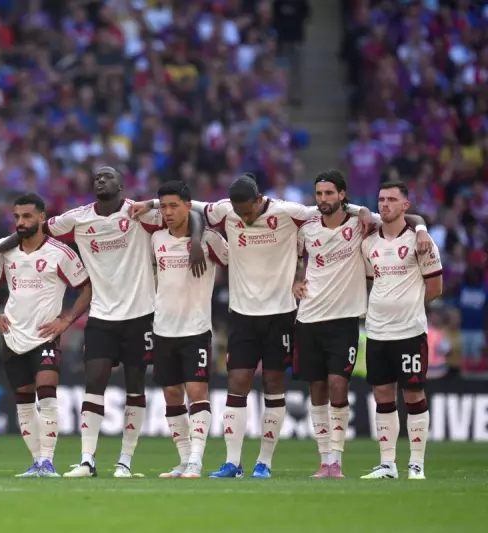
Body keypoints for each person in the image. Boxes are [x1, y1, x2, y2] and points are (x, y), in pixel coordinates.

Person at [0, 167, 206, 478]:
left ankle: (125, 461)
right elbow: (28, 231)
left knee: (135, 387)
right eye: (97, 177)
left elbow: (192, 214)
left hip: (141, 314)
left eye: (108, 176)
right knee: (94, 384)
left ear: (121, 184)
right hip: (101, 315)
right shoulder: (76, 218)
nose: (100, 180)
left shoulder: (139, 214)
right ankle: (87, 460)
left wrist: (191, 237)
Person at [132, 173, 372, 479]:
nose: (243, 219)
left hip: (280, 313)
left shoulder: (287, 212)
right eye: (239, 213)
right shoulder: (226, 211)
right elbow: (192, 207)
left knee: (273, 385)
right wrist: (152, 204)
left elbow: (326, 209)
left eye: (248, 212)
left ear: (259, 200)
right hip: (242, 315)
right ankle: (232, 462)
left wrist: (361, 211)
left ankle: (264, 462)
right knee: (238, 385)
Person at [294, 170, 431, 479]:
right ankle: (324, 460)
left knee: (339, 386)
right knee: (317, 389)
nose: (324, 199)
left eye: (330, 193)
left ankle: (338, 460)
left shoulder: (363, 226)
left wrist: (421, 227)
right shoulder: (306, 227)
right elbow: (297, 259)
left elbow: (405, 217)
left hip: (345, 320)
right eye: (319, 194)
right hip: (308, 318)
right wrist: (295, 278)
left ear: (343, 195)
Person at [0, 194, 92, 478]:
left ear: (42, 217)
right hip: (12, 335)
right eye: (17, 217)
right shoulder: (6, 253)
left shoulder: (61, 253)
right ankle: (36, 462)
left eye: (27, 216)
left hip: (45, 336)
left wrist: (66, 320)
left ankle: (48, 461)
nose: (21, 222)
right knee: (23, 402)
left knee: (47, 396)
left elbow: (86, 288)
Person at [360, 181, 442, 480]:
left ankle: (416, 464)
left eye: (392, 200)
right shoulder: (369, 244)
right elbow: (373, 280)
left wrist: (407, 306)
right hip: (378, 332)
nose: (385, 205)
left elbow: (435, 287)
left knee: (413, 392)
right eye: (381, 199)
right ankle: (388, 464)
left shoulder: (421, 241)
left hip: (409, 330)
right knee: (382, 394)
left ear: (405, 205)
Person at [151, 182, 228, 479]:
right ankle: (183, 460)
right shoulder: (155, 238)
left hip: (195, 327)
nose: (168, 212)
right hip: (162, 329)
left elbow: (233, 261)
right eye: (163, 207)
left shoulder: (209, 239)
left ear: (187, 206)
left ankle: (197, 459)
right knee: (171, 393)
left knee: (197, 391)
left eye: (174, 206)